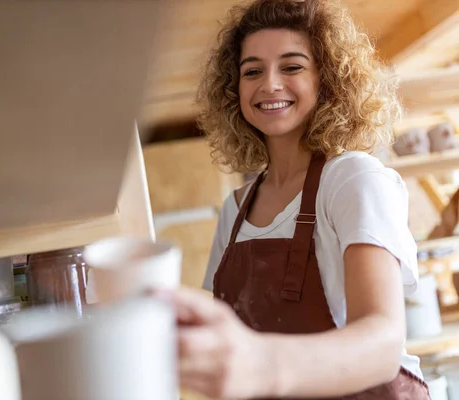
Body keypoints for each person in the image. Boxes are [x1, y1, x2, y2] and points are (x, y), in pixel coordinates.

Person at [152, 0, 430, 398]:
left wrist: (264, 365)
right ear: (235, 89)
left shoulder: (352, 179)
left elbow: (383, 344)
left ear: (328, 79)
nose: (269, 84)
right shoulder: (235, 209)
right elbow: (233, 343)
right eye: (252, 71)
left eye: (292, 66)